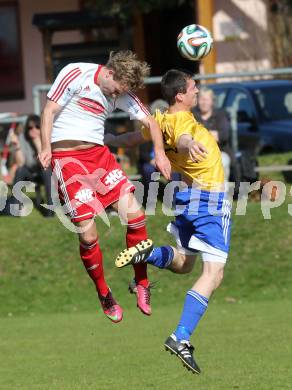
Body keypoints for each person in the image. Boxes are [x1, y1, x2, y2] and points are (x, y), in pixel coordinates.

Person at [112, 69, 231, 374]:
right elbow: (184, 137)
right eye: (193, 88)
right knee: (213, 273)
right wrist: (188, 145)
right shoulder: (181, 121)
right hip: (210, 202)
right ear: (180, 95)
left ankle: (147, 252)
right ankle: (181, 337)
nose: (196, 91)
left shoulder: (160, 119)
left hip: (187, 198)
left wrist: (111, 138)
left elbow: (135, 136)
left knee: (185, 264)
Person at [38, 50, 171, 323]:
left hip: (99, 158)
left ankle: (141, 283)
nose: (115, 96)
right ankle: (103, 292)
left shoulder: (120, 91)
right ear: (110, 73)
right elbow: (49, 110)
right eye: (116, 90)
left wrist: (160, 153)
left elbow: (151, 122)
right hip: (69, 160)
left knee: (136, 217)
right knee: (87, 236)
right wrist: (44, 147)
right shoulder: (76, 72)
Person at [10, 114, 53, 216]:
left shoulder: (46, 139)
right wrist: (17, 146)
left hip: (43, 172)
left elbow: (45, 163)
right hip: (29, 172)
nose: (33, 130)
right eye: (30, 127)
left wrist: (37, 142)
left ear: (41, 128)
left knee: (46, 171)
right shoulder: (22, 139)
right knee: (20, 170)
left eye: (37, 127)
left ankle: (50, 209)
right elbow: (20, 163)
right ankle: (16, 208)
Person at [192, 87, 232, 186]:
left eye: (206, 99)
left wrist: (203, 136)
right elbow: (192, 135)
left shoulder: (221, 114)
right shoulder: (192, 115)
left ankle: (223, 196)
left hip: (220, 151)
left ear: (212, 101)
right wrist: (211, 135)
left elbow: (224, 135)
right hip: (198, 152)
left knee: (223, 161)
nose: (204, 102)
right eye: (201, 99)